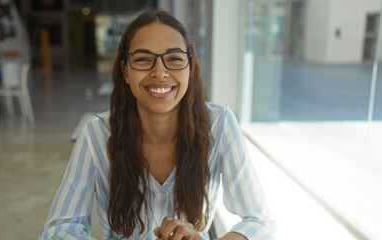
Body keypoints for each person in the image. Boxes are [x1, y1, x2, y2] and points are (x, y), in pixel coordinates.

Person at [39, 10, 276, 240]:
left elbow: (260, 222)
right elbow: (57, 230)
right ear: (125, 71)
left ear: (190, 68)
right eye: (143, 59)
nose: (160, 72)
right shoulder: (97, 133)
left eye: (174, 59)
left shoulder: (220, 123)